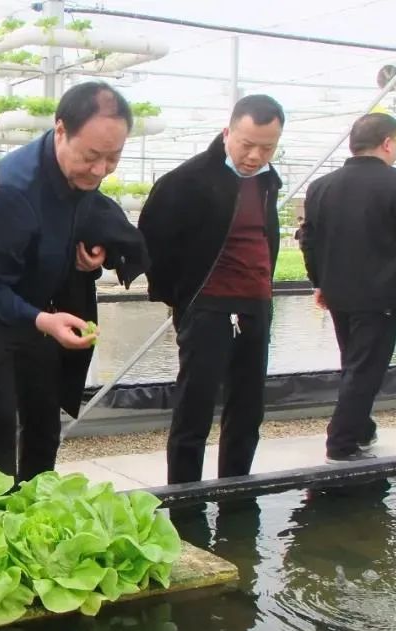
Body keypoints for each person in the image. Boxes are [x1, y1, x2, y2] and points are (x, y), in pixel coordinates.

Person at [0, 81, 130, 483]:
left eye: (113, 158)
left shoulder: (82, 173)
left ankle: (35, 517)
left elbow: (74, 222)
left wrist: (88, 259)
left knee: (44, 420)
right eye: (91, 157)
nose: (100, 170)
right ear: (61, 129)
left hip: (38, 302)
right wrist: (43, 321)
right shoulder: (12, 188)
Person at [140, 95, 286, 485]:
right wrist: (181, 299)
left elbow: (264, 239)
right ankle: (185, 497)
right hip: (207, 306)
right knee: (195, 407)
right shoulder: (187, 180)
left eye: (267, 147)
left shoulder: (268, 180)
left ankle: (236, 488)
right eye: (247, 144)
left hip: (255, 303)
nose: (255, 156)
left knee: (248, 408)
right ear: (227, 132)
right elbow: (153, 241)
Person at [301, 112, 396, 463]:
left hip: (338, 292)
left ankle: (362, 428)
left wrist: (318, 282)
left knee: (353, 363)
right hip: (379, 294)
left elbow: (309, 240)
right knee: (365, 368)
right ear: (387, 142)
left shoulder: (321, 186)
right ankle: (341, 443)